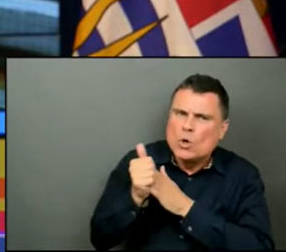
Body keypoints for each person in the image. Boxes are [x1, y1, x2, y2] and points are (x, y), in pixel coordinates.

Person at [90, 74, 273, 250]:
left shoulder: (243, 176)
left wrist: (185, 207)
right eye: (180, 113)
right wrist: (135, 197)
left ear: (222, 130)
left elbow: (259, 246)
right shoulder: (139, 162)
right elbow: (100, 239)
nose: (187, 126)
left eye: (202, 118)